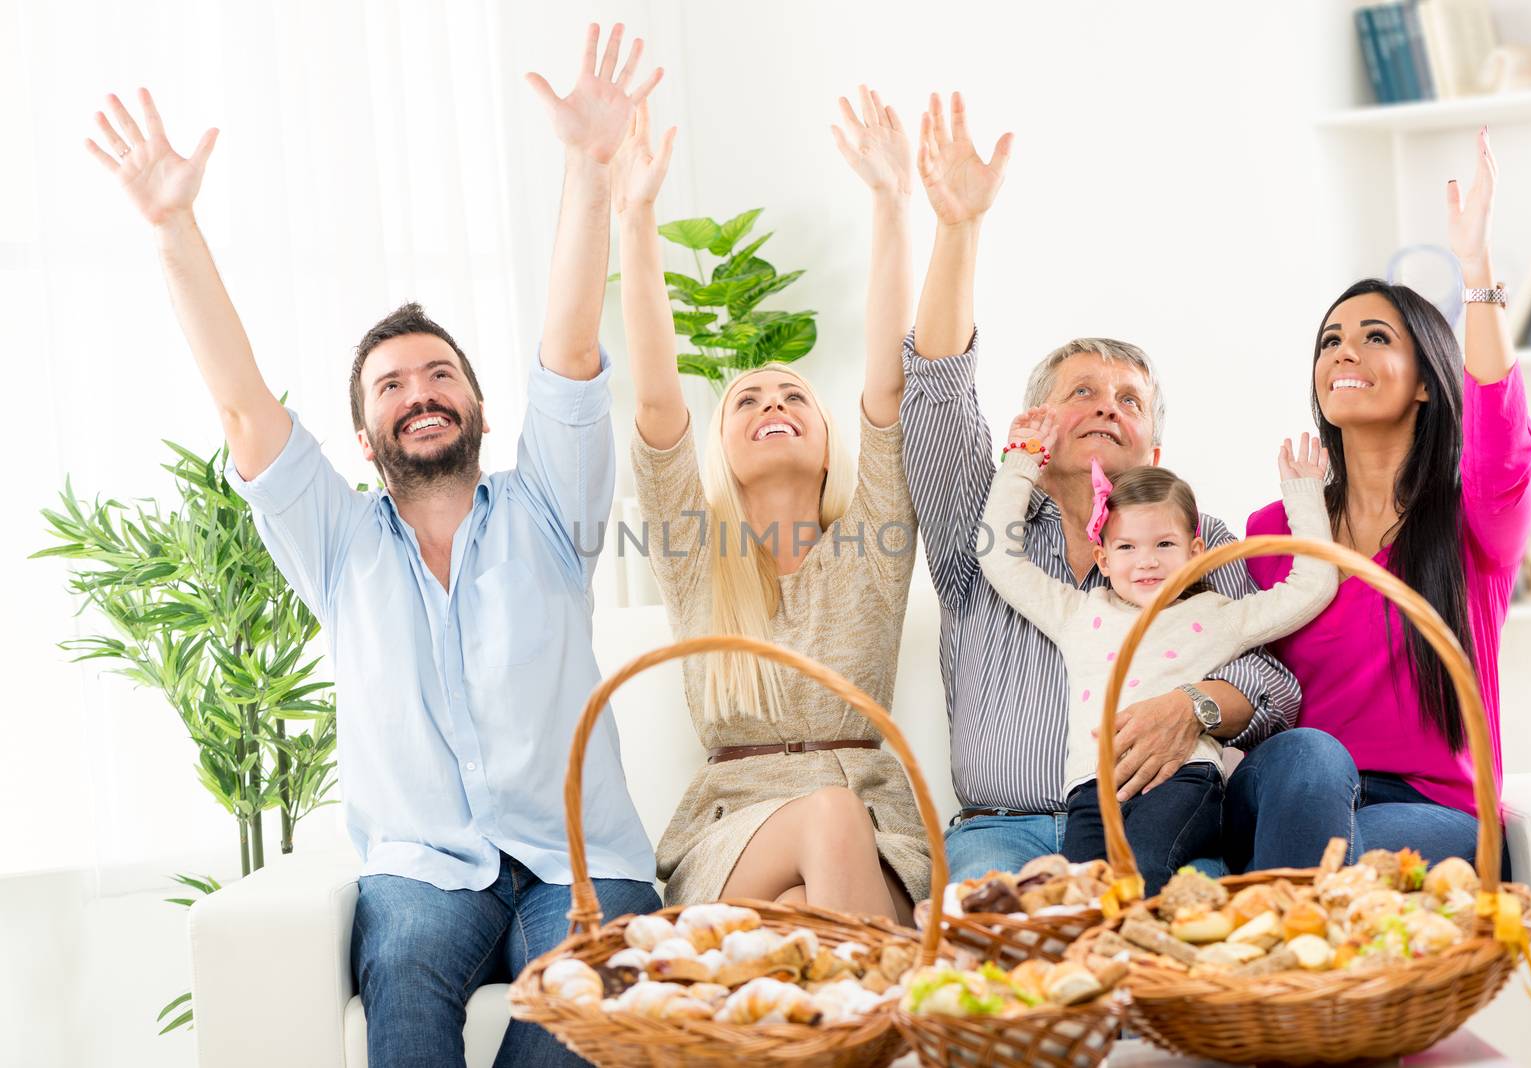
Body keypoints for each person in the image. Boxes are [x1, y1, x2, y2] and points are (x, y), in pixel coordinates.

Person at [86, 23, 664, 1067]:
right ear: (364, 437)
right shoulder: (339, 544)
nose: (419, 394)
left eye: (439, 374)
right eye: (392, 385)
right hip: (422, 870)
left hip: (582, 860)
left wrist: (588, 168)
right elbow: (241, 404)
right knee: (400, 978)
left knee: (593, 1000)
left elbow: (573, 349)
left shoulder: (551, 510)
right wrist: (173, 226)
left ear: (480, 407)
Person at [896, 92, 1302, 882]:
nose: (1106, 408)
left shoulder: (1202, 539)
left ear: (1155, 446)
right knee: (998, 943)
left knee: (1200, 935)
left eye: (1129, 401)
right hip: (1003, 836)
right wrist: (958, 229)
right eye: (1082, 392)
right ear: (1035, 422)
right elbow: (938, 394)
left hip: (1154, 819)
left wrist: (1192, 708)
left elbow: (1274, 684)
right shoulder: (982, 527)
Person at [611, 87, 927, 922]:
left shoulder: (874, 542)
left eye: (793, 394)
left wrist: (893, 203)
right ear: (721, 448)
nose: (772, 403)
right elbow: (655, 403)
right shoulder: (697, 551)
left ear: (829, 436)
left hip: (874, 826)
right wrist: (635, 220)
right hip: (732, 830)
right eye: (746, 401)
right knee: (821, 821)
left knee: (803, 897)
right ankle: (895, 1026)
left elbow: (890, 386)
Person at [1226, 130, 1531, 875]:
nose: (1343, 353)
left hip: (1430, 810)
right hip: (1291, 784)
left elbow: (1500, 428)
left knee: (1352, 860)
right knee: (1313, 759)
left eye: (1373, 337)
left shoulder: (1472, 525)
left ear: (1427, 381)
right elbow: (1248, 684)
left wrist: (1476, 268)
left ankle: (1286, 961)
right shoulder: (1275, 534)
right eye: (1331, 340)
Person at [979, 414, 1337, 889]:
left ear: (1196, 552)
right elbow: (999, 559)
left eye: (1164, 544)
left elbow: (1312, 585)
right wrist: (1022, 463)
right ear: (1103, 559)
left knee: (1144, 871)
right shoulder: (1077, 613)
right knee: (1078, 890)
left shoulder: (1217, 615)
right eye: (1126, 546)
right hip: (1092, 789)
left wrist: (1306, 496)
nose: (1146, 560)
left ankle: (1154, 957)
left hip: (1182, 780)